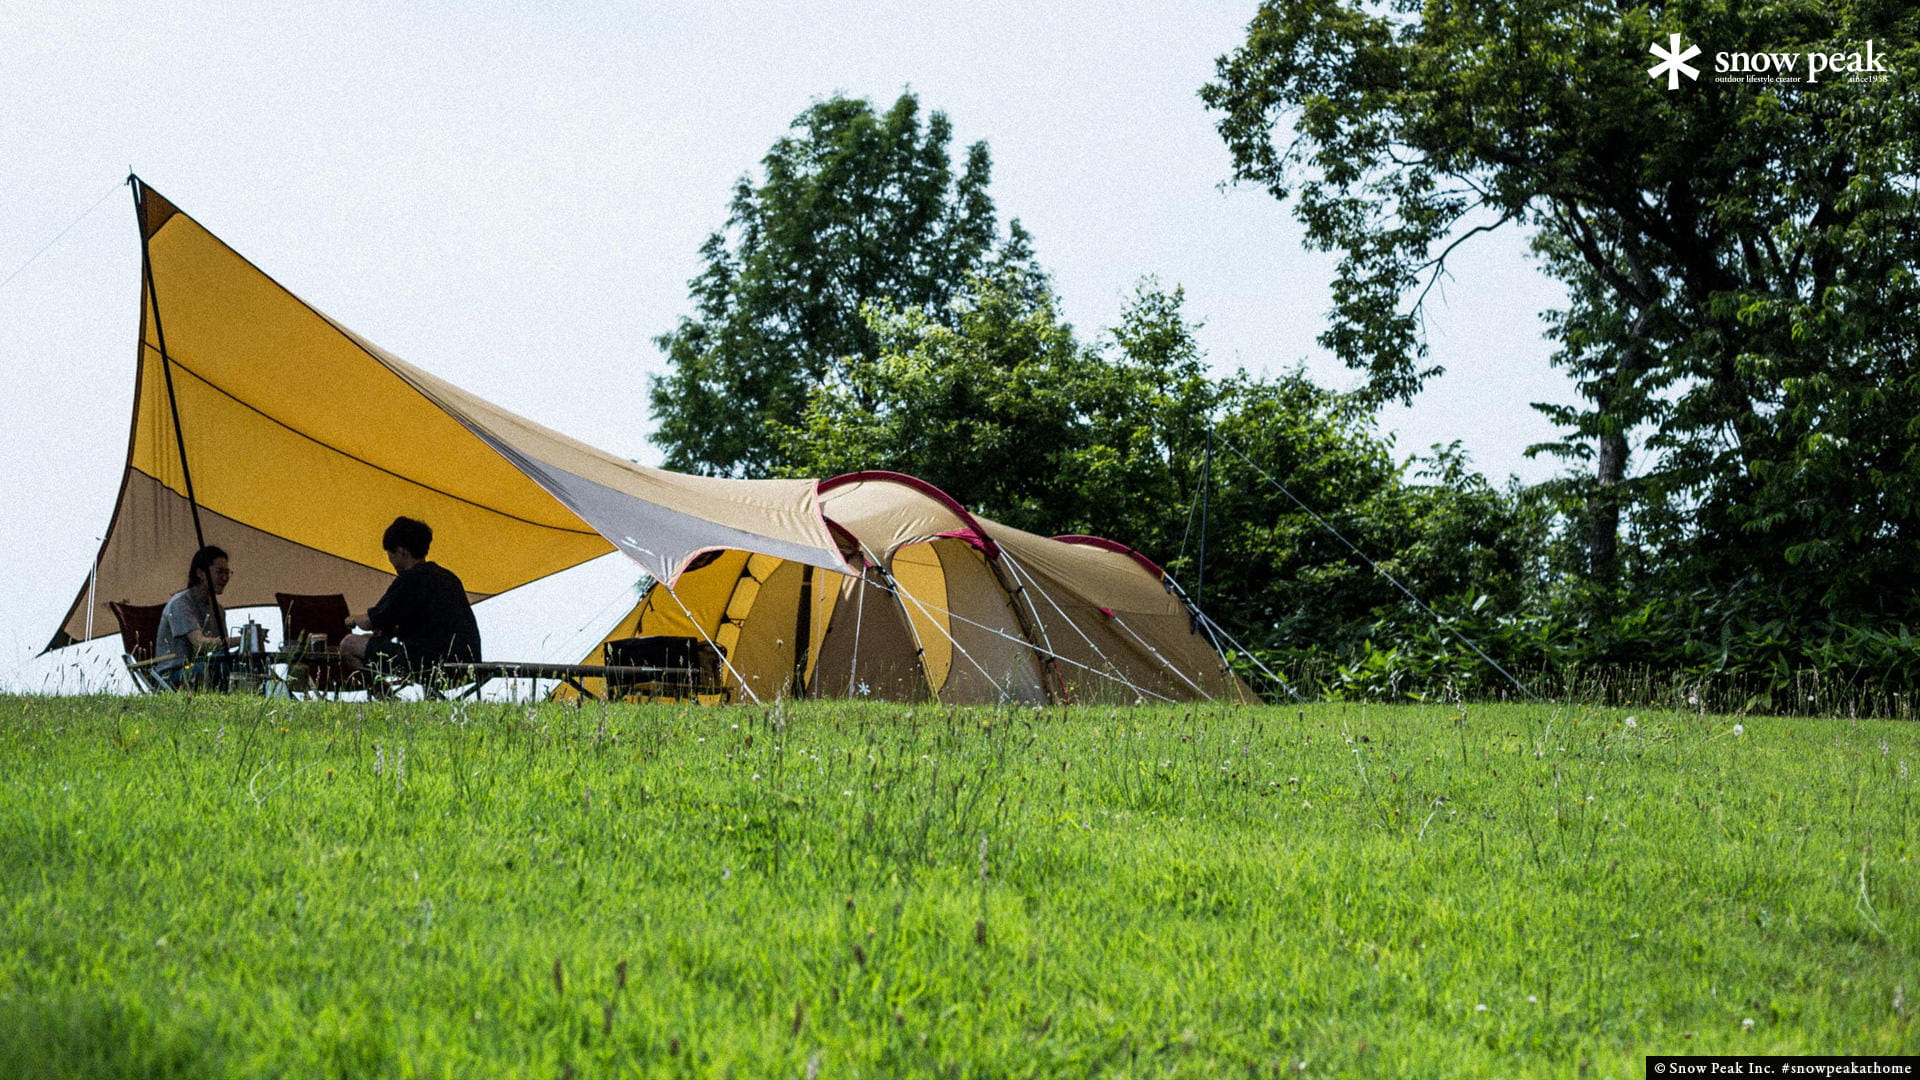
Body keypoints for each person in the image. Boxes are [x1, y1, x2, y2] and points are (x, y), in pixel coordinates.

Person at [341, 516, 482, 684]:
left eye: (390, 554)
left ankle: (385, 698)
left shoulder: (411, 578)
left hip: (429, 664)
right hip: (467, 665)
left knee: (349, 644)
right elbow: (432, 624)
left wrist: (353, 619)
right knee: (369, 641)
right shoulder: (447, 577)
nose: (390, 561)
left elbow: (373, 620)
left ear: (401, 551)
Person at [156, 545, 237, 690]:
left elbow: (220, 650)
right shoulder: (180, 604)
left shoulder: (218, 610)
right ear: (200, 573)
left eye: (227, 573)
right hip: (174, 675)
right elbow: (200, 644)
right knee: (221, 668)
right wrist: (243, 640)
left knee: (245, 667)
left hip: (203, 667)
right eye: (219, 572)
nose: (225, 578)